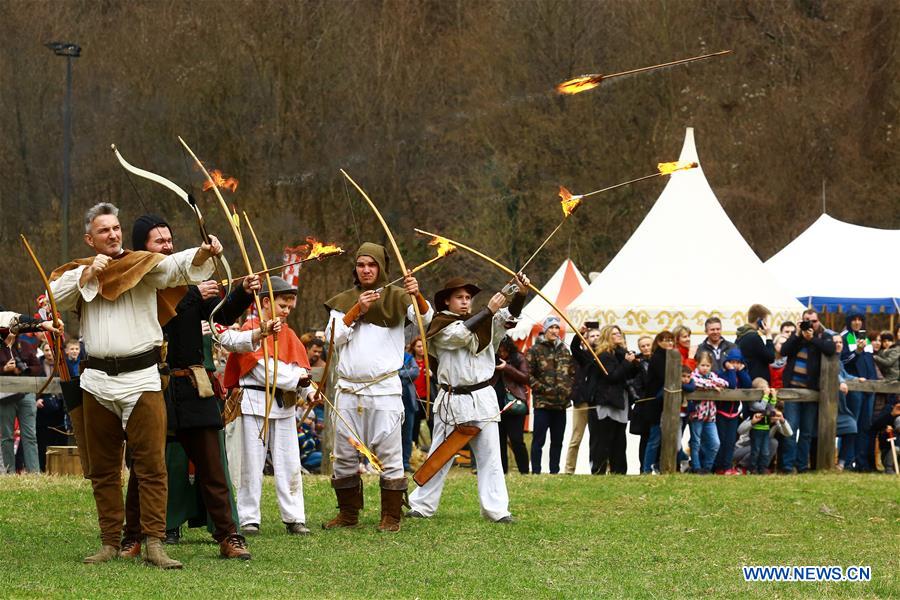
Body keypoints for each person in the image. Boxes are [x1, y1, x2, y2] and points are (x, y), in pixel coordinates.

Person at [50, 202, 219, 568]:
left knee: (151, 465)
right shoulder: (82, 271)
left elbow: (175, 267)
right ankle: (110, 541)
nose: (112, 234)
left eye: (116, 228)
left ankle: (154, 542)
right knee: (104, 469)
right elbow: (55, 297)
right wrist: (87, 275)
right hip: (96, 381)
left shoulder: (142, 263)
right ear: (89, 238)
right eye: (104, 230)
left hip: (142, 378)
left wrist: (203, 252)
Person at [119, 215, 256, 560]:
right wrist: (193, 292)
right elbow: (164, 310)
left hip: (192, 386)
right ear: (142, 248)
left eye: (169, 239)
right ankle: (133, 536)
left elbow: (220, 315)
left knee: (212, 467)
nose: (167, 245)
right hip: (152, 385)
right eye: (158, 241)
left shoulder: (190, 279)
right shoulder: (137, 280)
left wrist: (242, 292)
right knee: (144, 468)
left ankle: (228, 535)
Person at [322, 242, 433, 532]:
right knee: (344, 454)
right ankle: (348, 514)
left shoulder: (398, 297)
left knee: (390, 453)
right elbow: (332, 338)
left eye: (372, 265)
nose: (366, 270)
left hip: (383, 390)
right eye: (361, 265)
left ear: (382, 267)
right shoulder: (345, 300)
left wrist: (415, 292)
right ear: (355, 269)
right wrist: (357, 309)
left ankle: (391, 516)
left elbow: (424, 318)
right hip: (348, 391)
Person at [407, 274, 527, 522]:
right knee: (440, 455)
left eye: (468, 298)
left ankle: (496, 510)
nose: (464, 301)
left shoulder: (486, 322)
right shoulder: (440, 325)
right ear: (447, 302)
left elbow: (507, 319)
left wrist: (520, 294)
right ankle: (421, 505)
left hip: (483, 397)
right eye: (459, 297)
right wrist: (488, 310)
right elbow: (459, 336)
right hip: (452, 399)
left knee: (491, 457)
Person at [224, 276, 315, 537]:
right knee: (251, 463)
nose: (286, 311)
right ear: (265, 301)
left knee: (289, 461)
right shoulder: (251, 330)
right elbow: (263, 369)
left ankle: (294, 517)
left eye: (289, 307)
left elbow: (301, 368)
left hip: (283, 405)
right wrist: (296, 379)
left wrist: (309, 391)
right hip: (254, 404)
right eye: (282, 305)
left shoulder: (289, 334)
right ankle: (248, 517)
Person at [780, 309, 836, 473]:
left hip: (811, 392)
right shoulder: (797, 337)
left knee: (806, 432)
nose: (810, 324)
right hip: (793, 390)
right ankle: (788, 466)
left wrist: (812, 339)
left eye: (813, 321)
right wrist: (798, 335)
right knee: (790, 430)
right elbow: (783, 351)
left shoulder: (823, 336)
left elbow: (831, 349)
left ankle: (802, 465)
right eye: (806, 320)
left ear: (818, 322)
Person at [587, 325, 639, 475]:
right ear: (607, 336)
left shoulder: (621, 353)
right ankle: (599, 469)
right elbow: (612, 376)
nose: (618, 336)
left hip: (621, 400)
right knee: (604, 438)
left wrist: (633, 363)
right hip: (607, 400)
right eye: (614, 334)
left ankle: (619, 470)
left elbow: (630, 375)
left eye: (619, 333)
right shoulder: (603, 355)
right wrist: (627, 363)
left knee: (619, 439)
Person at [526, 316, 574, 474]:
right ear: (545, 330)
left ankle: (555, 470)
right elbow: (527, 374)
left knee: (557, 441)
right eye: (551, 328)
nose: (554, 331)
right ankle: (536, 471)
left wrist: (568, 390)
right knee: (539, 440)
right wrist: (541, 388)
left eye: (556, 328)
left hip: (561, 404)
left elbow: (572, 373)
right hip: (542, 404)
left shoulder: (564, 350)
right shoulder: (535, 350)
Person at [0, 329, 43, 473]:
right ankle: (9, 472)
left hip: (26, 394)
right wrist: (5, 368)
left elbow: (38, 367)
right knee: (7, 436)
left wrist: (25, 370)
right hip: (5, 397)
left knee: (30, 435)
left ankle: (34, 472)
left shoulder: (24, 345)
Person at [840, 312, 878, 472]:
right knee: (852, 425)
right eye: (854, 320)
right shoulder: (845, 337)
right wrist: (857, 351)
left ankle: (861, 462)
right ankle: (847, 461)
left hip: (870, 386)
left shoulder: (866, 338)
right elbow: (843, 361)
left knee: (864, 425)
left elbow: (870, 361)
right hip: (854, 386)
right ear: (849, 322)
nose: (857, 323)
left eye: (859, 320)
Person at [492, 335, 529, 475]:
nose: (501, 352)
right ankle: (502, 472)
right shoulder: (490, 357)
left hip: (514, 403)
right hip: (495, 404)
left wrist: (506, 367)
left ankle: (524, 471)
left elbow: (525, 378)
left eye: (503, 349)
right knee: (498, 441)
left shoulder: (518, 357)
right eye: (499, 349)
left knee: (516, 440)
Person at [566, 326, 600, 474]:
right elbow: (574, 347)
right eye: (592, 336)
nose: (596, 338)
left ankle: (598, 469)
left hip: (598, 401)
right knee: (576, 437)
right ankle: (569, 470)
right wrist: (579, 334)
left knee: (598, 438)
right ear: (586, 340)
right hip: (582, 401)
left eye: (599, 335)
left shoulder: (606, 356)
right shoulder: (584, 356)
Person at [713, 348, 752, 474]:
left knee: (730, 442)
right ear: (727, 362)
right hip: (721, 412)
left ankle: (728, 467)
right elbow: (730, 385)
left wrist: (740, 371)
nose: (735, 365)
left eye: (737, 362)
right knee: (721, 441)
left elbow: (747, 385)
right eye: (732, 362)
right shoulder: (721, 374)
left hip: (734, 413)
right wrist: (730, 370)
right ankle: (718, 466)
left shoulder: (741, 374)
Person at [687, 352, 726, 473]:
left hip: (710, 415)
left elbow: (725, 383)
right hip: (697, 414)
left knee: (715, 443)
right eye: (703, 365)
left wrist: (711, 384)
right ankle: (696, 467)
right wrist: (712, 386)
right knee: (696, 442)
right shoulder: (693, 376)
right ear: (697, 365)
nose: (705, 368)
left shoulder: (712, 375)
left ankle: (707, 467)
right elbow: (696, 383)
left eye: (708, 365)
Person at [36, 341, 69, 472]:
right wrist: (36, 399)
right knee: (43, 440)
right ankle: (44, 469)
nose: (49, 353)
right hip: (43, 407)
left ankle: (61, 470)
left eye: (51, 350)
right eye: (47, 350)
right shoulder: (38, 364)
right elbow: (31, 383)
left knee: (60, 438)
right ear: (43, 351)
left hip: (60, 407)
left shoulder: (62, 364)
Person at [627, 336, 654, 472]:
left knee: (656, 437)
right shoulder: (637, 363)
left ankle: (655, 466)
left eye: (648, 345)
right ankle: (643, 467)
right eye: (643, 346)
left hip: (656, 404)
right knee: (645, 437)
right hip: (643, 404)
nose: (646, 348)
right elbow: (632, 382)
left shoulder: (658, 361)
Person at [735, 304, 775, 384]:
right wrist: (768, 336)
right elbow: (770, 357)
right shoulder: (753, 337)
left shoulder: (741, 335)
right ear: (759, 320)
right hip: (756, 381)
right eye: (765, 320)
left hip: (746, 379)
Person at [399, 343, 420, 473]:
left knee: (407, 435)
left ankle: (405, 463)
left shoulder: (407, 357)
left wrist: (400, 374)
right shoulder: (388, 357)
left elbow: (415, 371)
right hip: (393, 401)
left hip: (408, 401)